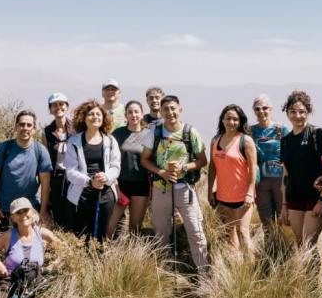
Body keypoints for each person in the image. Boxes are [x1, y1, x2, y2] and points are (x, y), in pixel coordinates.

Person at [140, 95, 209, 271]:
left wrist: (184, 168)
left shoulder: (190, 132)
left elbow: (202, 160)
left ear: (180, 110)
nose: (170, 112)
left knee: (195, 230)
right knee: (161, 233)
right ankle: (165, 271)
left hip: (185, 188)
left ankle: (203, 272)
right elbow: (144, 160)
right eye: (166, 109)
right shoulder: (154, 133)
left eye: (173, 108)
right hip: (160, 189)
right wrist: (161, 172)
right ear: (161, 112)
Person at [279, 90, 322, 246]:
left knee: (308, 244)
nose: (297, 116)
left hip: (315, 197)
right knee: (300, 244)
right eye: (293, 111)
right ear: (287, 113)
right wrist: (284, 205)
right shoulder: (285, 140)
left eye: (302, 112)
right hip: (294, 197)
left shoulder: (318, 134)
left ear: (308, 112)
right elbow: (285, 174)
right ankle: (309, 266)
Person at [61, 100, 121, 241]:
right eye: (91, 114)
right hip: (81, 193)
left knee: (102, 235)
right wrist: (90, 181)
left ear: (103, 118)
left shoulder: (110, 140)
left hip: (105, 193)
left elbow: (116, 166)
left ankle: (100, 255)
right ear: (84, 118)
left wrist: (106, 177)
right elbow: (70, 171)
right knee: (81, 235)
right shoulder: (73, 141)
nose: (95, 117)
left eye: (98, 114)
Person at [0, 110, 53, 234]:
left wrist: (43, 210)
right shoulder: (4, 148)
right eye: (22, 124)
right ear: (16, 127)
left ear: (34, 129)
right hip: (4, 209)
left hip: (29, 209)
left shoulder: (40, 150)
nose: (25, 128)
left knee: (28, 244)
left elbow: (45, 184)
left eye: (29, 125)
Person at [0, 197, 58, 298]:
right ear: (13, 218)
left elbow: (65, 250)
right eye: (18, 212)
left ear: (33, 212)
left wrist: (54, 264)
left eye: (26, 210)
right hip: (10, 282)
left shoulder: (42, 234)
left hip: (36, 282)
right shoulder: (8, 236)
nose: (23, 215)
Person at [207, 104, 257, 252]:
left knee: (243, 232)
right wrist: (210, 191)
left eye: (236, 119)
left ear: (240, 122)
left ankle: (253, 264)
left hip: (243, 197)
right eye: (228, 118)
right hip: (223, 196)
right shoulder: (215, 140)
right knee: (230, 233)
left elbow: (253, 168)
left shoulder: (245, 140)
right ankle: (237, 264)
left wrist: (250, 192)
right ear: (222, 120)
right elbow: (212, 167)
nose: (232, 122)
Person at [108, 100, 151, 236]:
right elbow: (109, 159)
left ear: (142, 114)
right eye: (130, 112)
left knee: (135, 227)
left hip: (141, 185)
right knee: (110, 224)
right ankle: (103, 248)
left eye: (136, 112)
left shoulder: (149, 134)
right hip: (120, 185)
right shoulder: (118, 133)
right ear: (126, 115)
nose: (133, 115)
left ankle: (131, 250)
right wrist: (114, 182)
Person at [249, 94, 290, 232]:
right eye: (257, 109)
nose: (261, 111)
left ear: (271, 109)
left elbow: (290, 153)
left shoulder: (281, 129)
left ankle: (283, 245)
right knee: (266, 220)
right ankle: (269, 244)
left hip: (280, 180)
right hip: (260, 180)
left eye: (265, 108)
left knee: (283, 218)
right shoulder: (251, 131)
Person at [40, 92, 74, 230]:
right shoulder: (47, 132)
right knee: (58, 214)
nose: (58, 107)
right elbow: (44, 160)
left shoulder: (77, 129)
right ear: (50, 109)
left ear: (67, 107)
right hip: (56, 178)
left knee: (73, 212)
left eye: (61, 104)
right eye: (54, 105)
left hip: (73, 177)